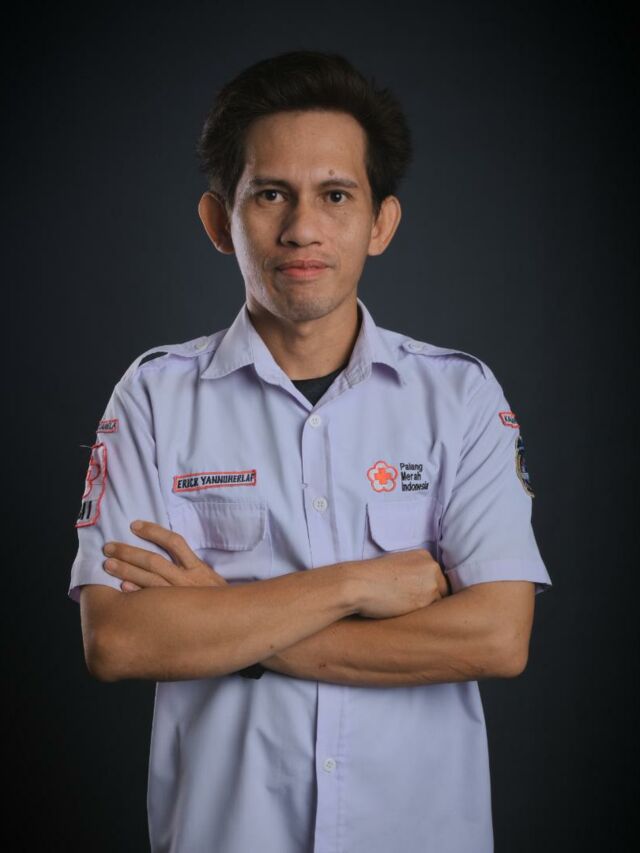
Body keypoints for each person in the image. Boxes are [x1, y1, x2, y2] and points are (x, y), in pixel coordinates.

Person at [68, 50, 552, 853]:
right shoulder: (154, 397)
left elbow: (497, 637)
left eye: (335, 195)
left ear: (380, 222)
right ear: (219, 221)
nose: (302, 228)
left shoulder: (460, 396)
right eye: (270, 194)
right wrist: (359, 583)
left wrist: (225, 617)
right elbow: (118, 641)